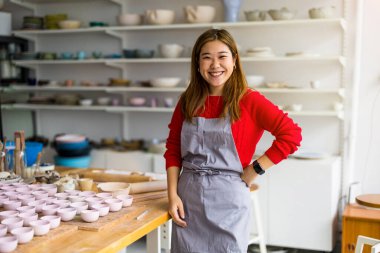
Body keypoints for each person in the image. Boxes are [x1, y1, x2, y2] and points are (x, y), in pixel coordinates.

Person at [164, 28, 302, 253]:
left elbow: (291, 135)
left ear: (235, 60)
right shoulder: (187, 100)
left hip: (228, 202)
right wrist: (172, 195)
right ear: (197, 63)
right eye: (206, 57)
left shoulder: (249, 100)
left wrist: (255, 169)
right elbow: (173, 149)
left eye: (222, 56)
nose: (215, 65)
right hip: (188, 199)